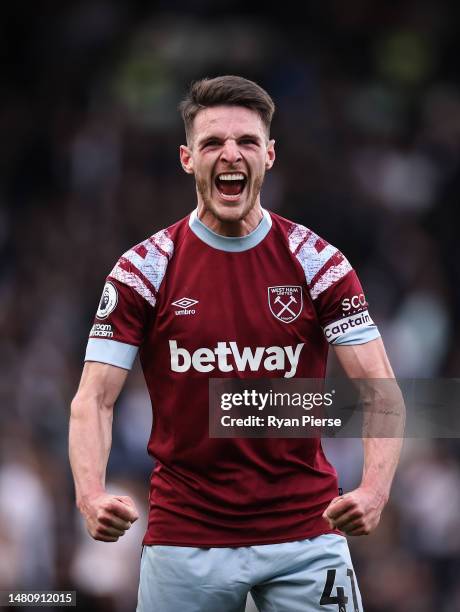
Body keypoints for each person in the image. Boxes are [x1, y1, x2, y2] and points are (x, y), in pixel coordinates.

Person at [69, 75, 403, 612]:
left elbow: (381, 392)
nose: (231, 154)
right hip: (185, 537)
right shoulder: (143, 270)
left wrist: (373, 492)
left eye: (247, 141)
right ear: (187, 158)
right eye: (212, 143)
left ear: (269, 155)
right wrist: (90, 494)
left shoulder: (319, 263)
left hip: (306, 534)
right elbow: (94, 399)